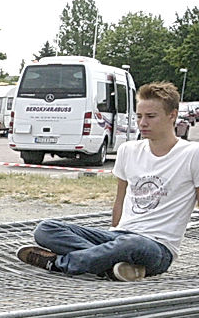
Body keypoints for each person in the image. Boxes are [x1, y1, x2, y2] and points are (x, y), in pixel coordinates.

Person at [16, 82, 199, 282]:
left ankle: (61, 263)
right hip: (118, 236)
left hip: (157, 248)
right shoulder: (128, 150)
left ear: (172, 115)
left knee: (133, 244)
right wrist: (113, 235)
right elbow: (119, 201)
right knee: (46, 229)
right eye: (139, 116)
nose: (142, 123)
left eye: (151, 116)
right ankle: (113, 266)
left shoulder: (191, 154)